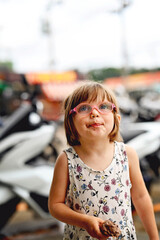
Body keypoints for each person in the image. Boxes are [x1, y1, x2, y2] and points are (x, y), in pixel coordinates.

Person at [48, 81, 159, 240]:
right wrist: (85, 221)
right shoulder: (67, 160)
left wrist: (154, 237)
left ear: (117, 119)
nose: (94, 113)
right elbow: (55, 206)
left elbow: (141, 198)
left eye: (104, 107)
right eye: (84, 108)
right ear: (71, 123)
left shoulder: (127, 154)